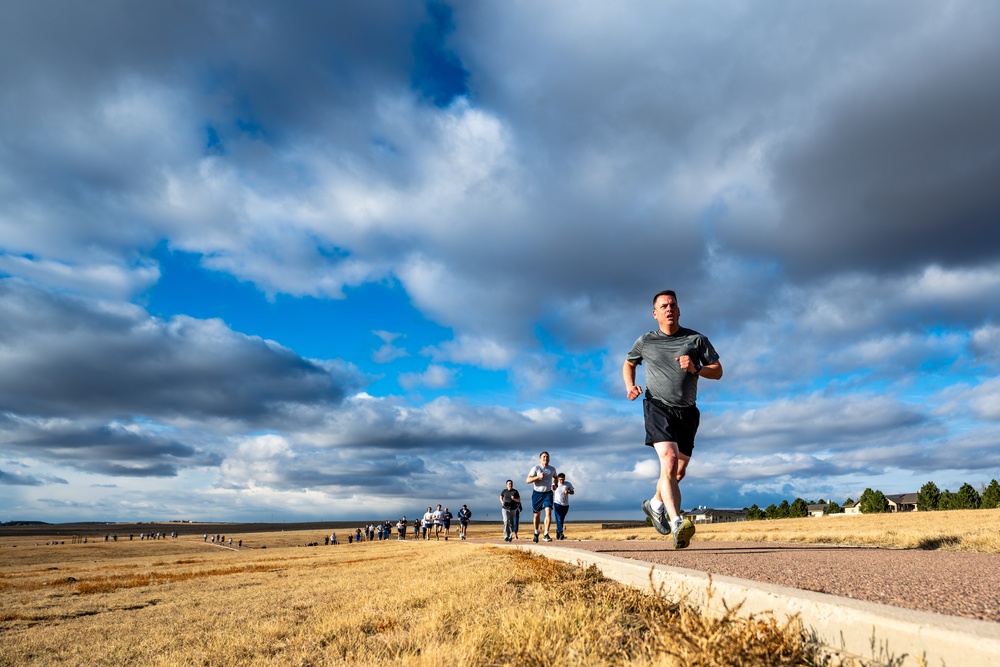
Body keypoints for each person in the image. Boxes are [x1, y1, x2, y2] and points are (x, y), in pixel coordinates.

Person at [624, 289, 722, 549]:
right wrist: (629, 386)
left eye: (673, 305)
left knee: (678, 472)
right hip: (657, 406)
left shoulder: (696, 340)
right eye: (664, 306)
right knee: (668, 461)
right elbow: (629, 363)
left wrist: (696, 368)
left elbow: (718, 371)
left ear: (679, 311)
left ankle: (655, 504)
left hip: (688, 411)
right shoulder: (646, 341)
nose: (669, 308)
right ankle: (678, 522)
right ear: (655, 313)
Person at [526, 451, 557, 542]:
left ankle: (546, 534)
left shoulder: (552, 469)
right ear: (540, 459)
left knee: (548, 512)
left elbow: (555, 477)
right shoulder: (536, 468)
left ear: (549, 459)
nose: (545, 458)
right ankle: (536, 532)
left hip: (548, 493)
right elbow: (528, 480)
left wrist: (555, 485)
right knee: (536, 515)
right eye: (543, 457)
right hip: (537, 493)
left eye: (547, 457)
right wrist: (538, 477)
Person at [552, 473, 575, 540]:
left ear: (564, 478)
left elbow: (573, 492)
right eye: (560, 479)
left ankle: (558, 531)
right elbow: (552, 489)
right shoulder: (555, 484)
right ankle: (561, 533)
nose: (561, 481)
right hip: (557, 503)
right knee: (558, 518)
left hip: (565, 504)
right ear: (558, 479)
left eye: (563, 479)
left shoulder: (568, 484)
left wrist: (568, 491)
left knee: (561, 519)